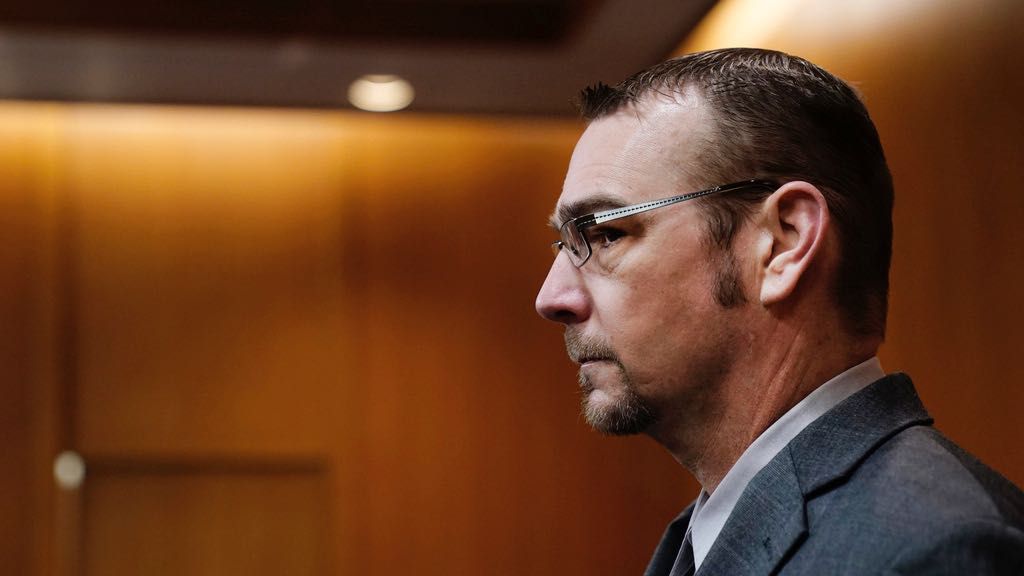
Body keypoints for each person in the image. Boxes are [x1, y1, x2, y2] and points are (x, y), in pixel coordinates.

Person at [534, 48, 1024, 575]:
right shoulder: (702, 532)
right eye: (564, 244)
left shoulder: (939, 549)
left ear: (783, 242)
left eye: (606, 233)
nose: (551, 298)